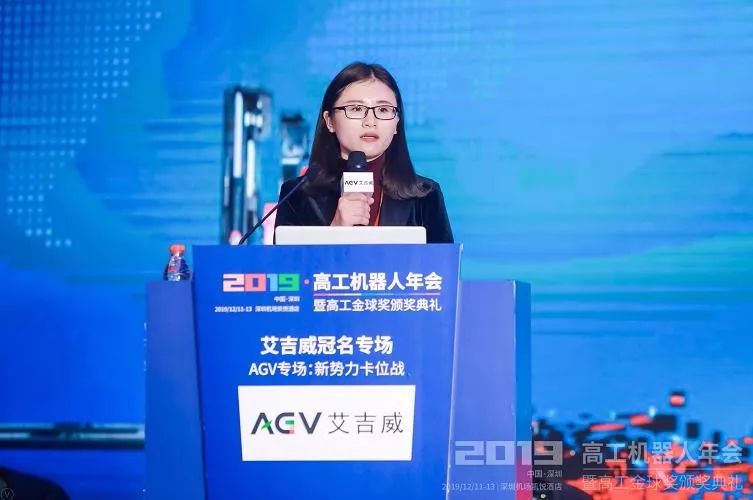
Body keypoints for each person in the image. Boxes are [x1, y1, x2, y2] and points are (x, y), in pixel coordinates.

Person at [274, 62, 453, 243]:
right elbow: (286, 262)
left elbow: (444, 262)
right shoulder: (296, 195)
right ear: (329, 121)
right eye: (356, 109)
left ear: (396, 123)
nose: (370, 121)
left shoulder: (426, 196)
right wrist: (335, 231)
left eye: (383, 110)